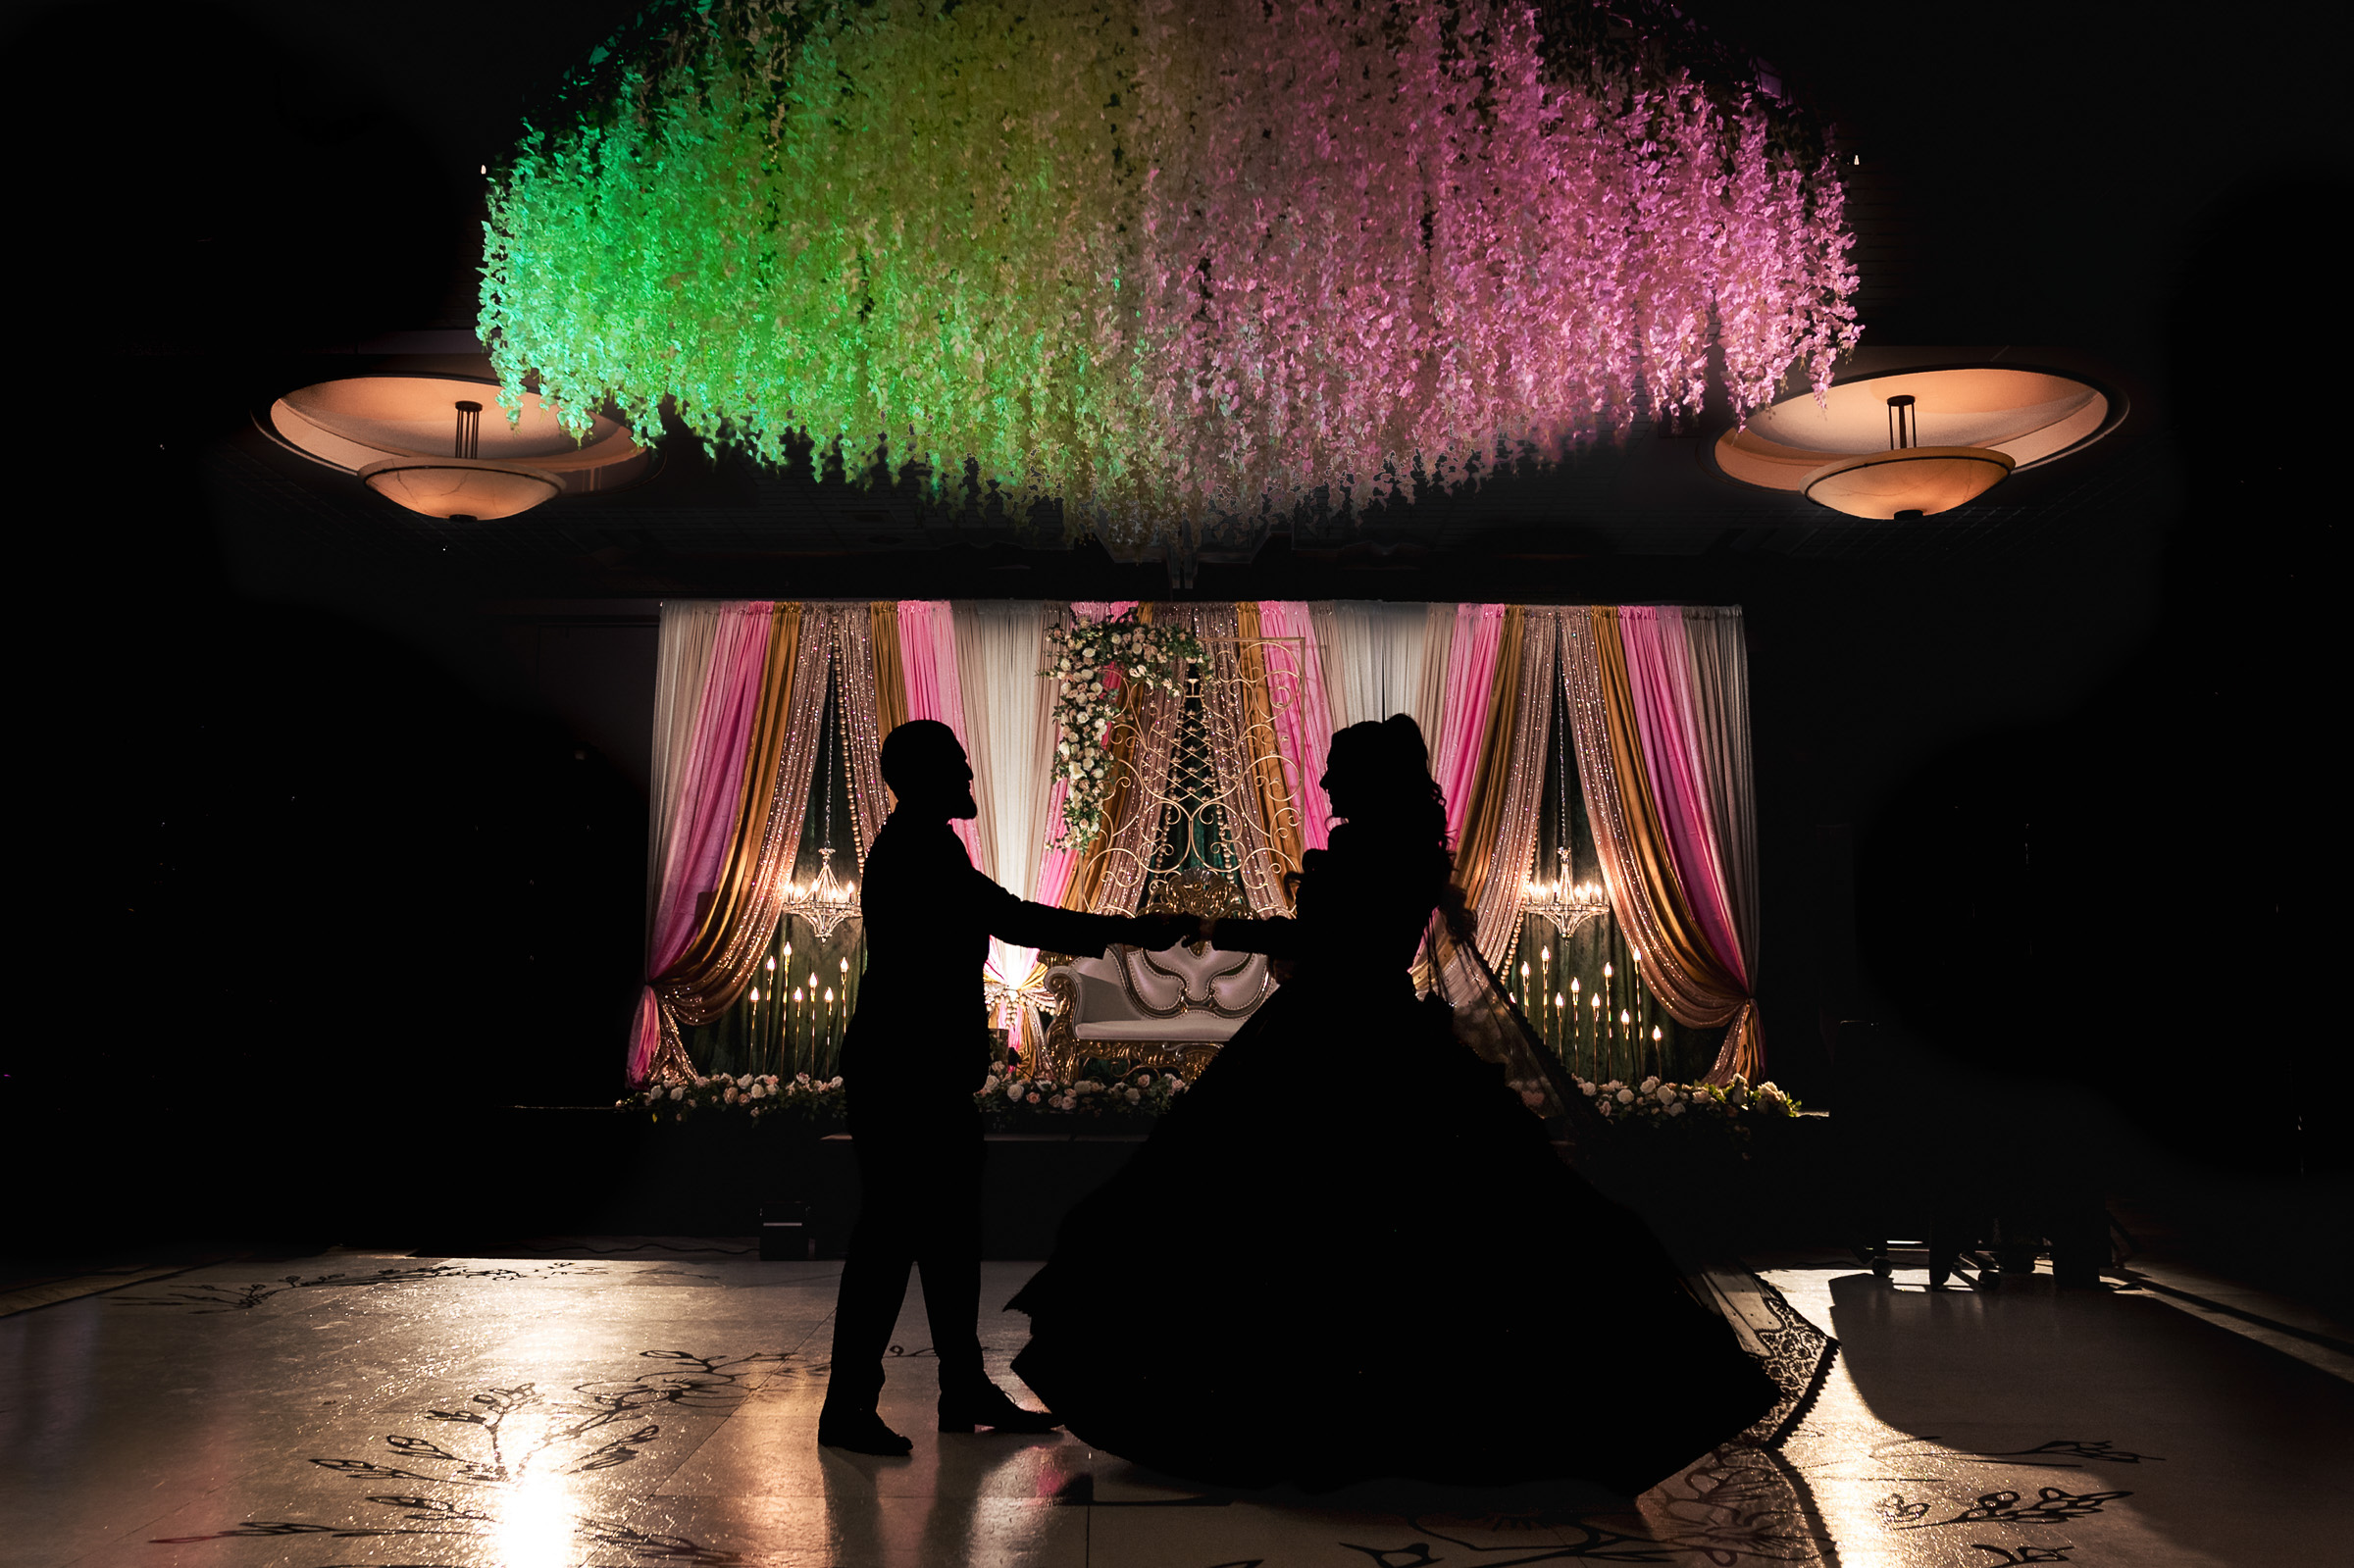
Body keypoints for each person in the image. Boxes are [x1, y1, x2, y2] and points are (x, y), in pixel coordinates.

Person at [1008, 715, 1779, 1493]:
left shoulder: (1376, 853)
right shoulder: (1402, 850)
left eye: (1338, 769)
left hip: (1341, 1040)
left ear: (1370, 778)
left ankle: (1312, 1420)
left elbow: (1337, 946)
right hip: (1362, 1032)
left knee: (1274, 1216)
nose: (1324, 783)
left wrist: (1213, 926)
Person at [817, 719, 1191, 1456]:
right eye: (958, 764)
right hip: (906, 1079)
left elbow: (1005, 915)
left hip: (913, 1075)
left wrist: (1126, 931)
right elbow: (1013, 916)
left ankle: (961, 1388)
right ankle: (849, 1404)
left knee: (947, 1235)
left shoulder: (925, 845)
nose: (969, 775)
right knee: (892, 1239)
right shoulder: (918, 852)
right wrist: (1131, 930)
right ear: (925, 776)